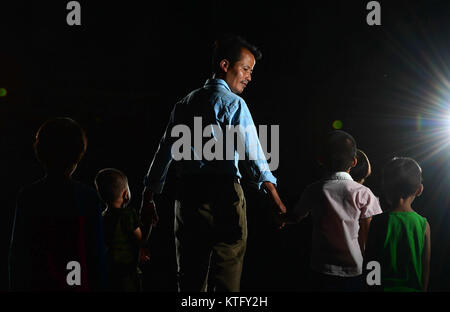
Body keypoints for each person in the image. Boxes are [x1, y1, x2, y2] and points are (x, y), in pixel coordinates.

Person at [140, 34, 286, 292]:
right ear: (225, 65)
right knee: (227, 277)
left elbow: (165, 150)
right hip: (225, 195)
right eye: (245, 69)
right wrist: (272, 192)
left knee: (190, 278)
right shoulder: (234, 104)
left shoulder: (184, 104)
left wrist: (149, 195)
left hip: (188, 196)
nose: (249, 76)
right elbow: (252, 152)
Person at [9, 117, 106, 291]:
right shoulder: (88, 197)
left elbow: (18, 257)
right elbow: (96, 257)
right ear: (78, 155)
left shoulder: (28, 196)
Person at [285, 130, 382, 291]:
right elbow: (369, 238)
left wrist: (281, 217)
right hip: (354, 271)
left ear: (321, 160)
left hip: (320, 269)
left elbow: (295, 217)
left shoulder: (312, 190)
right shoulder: (363, 193)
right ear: (354, 162)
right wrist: (373, 275)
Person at [364, 157, 431, 292]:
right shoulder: (424, 225)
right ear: (419, 190)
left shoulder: (377, 222)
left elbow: (371, 263)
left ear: (385, 188)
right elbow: (425, 267)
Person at [95, 168, 151, 292]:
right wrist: (149, 222)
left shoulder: (102, 218)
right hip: (127, 274)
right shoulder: (128, 214)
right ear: (126, 194)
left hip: (109, 274)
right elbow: (141, 238)